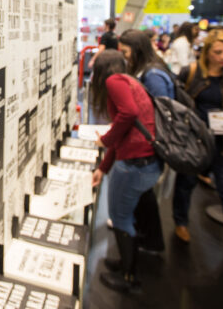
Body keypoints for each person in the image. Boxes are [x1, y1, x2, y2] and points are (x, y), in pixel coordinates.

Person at [172, 30, 223, 266]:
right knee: (185, 183)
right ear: (207, 52)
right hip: (195, 140)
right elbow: (178, 104)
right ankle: (180, 222)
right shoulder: (191, 73)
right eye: (218, 51)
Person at [90, 50, 161, 292]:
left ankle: (129, 278)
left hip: (134, 164)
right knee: (125, 217)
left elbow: (127, 116)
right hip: (144, 162)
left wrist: (106, 140)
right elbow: (126, 129)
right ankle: (125, 263)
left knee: (121, 217)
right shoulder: (130, 81)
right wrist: (104, 167)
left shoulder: (114, 81)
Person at [118, 30, 175, 254]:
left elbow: (163, 109)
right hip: (148, 145)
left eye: (125, 51)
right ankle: (146, 239)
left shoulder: (152, 74)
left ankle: (147, 242)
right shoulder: (150, 68)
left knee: (143, 194)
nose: (124, 56)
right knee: (142, 195)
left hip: (149, 147)